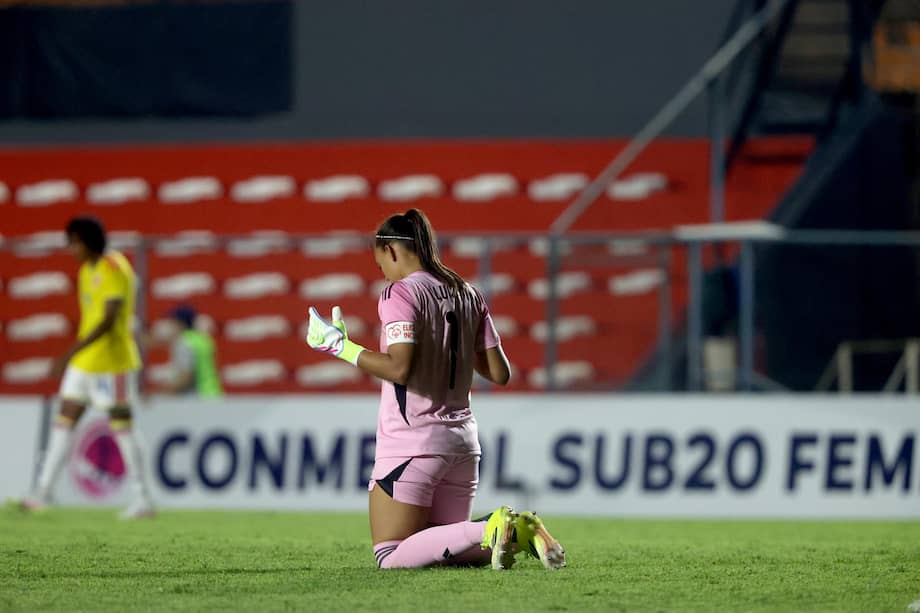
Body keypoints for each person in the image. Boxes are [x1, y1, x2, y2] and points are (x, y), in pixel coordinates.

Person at [305, 208, 566, 570]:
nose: (383, 271)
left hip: (413, 443)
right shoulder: (468, 292)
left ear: (392, 250)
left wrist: (339, 347)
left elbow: (399, 367)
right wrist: (448, 343)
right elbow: (499, 372)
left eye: (380, 262)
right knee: (444, 552)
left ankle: (491, 526)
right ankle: (518, 530)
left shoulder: (399, 293)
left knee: (391, 555)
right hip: (463, 444)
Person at [21, 216, 155, 519]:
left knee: (123, 428)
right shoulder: (86, 271)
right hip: (84, 365)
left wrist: (68, 353)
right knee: (63, 423)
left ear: (85, 240)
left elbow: (108, 321)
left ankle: (142, 498)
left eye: (73, 242)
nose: (70, 249)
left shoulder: (113, 267)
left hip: (113, 364)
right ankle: (42, 492)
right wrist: (75, 357)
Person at [155, 304, 223, 397]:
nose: (170, 326)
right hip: (213, 394)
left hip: (196, 399)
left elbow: (187, 377)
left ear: (180, 323)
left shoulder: (183, 342)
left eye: (172, 322)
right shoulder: (204, 339)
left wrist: (164, 392)